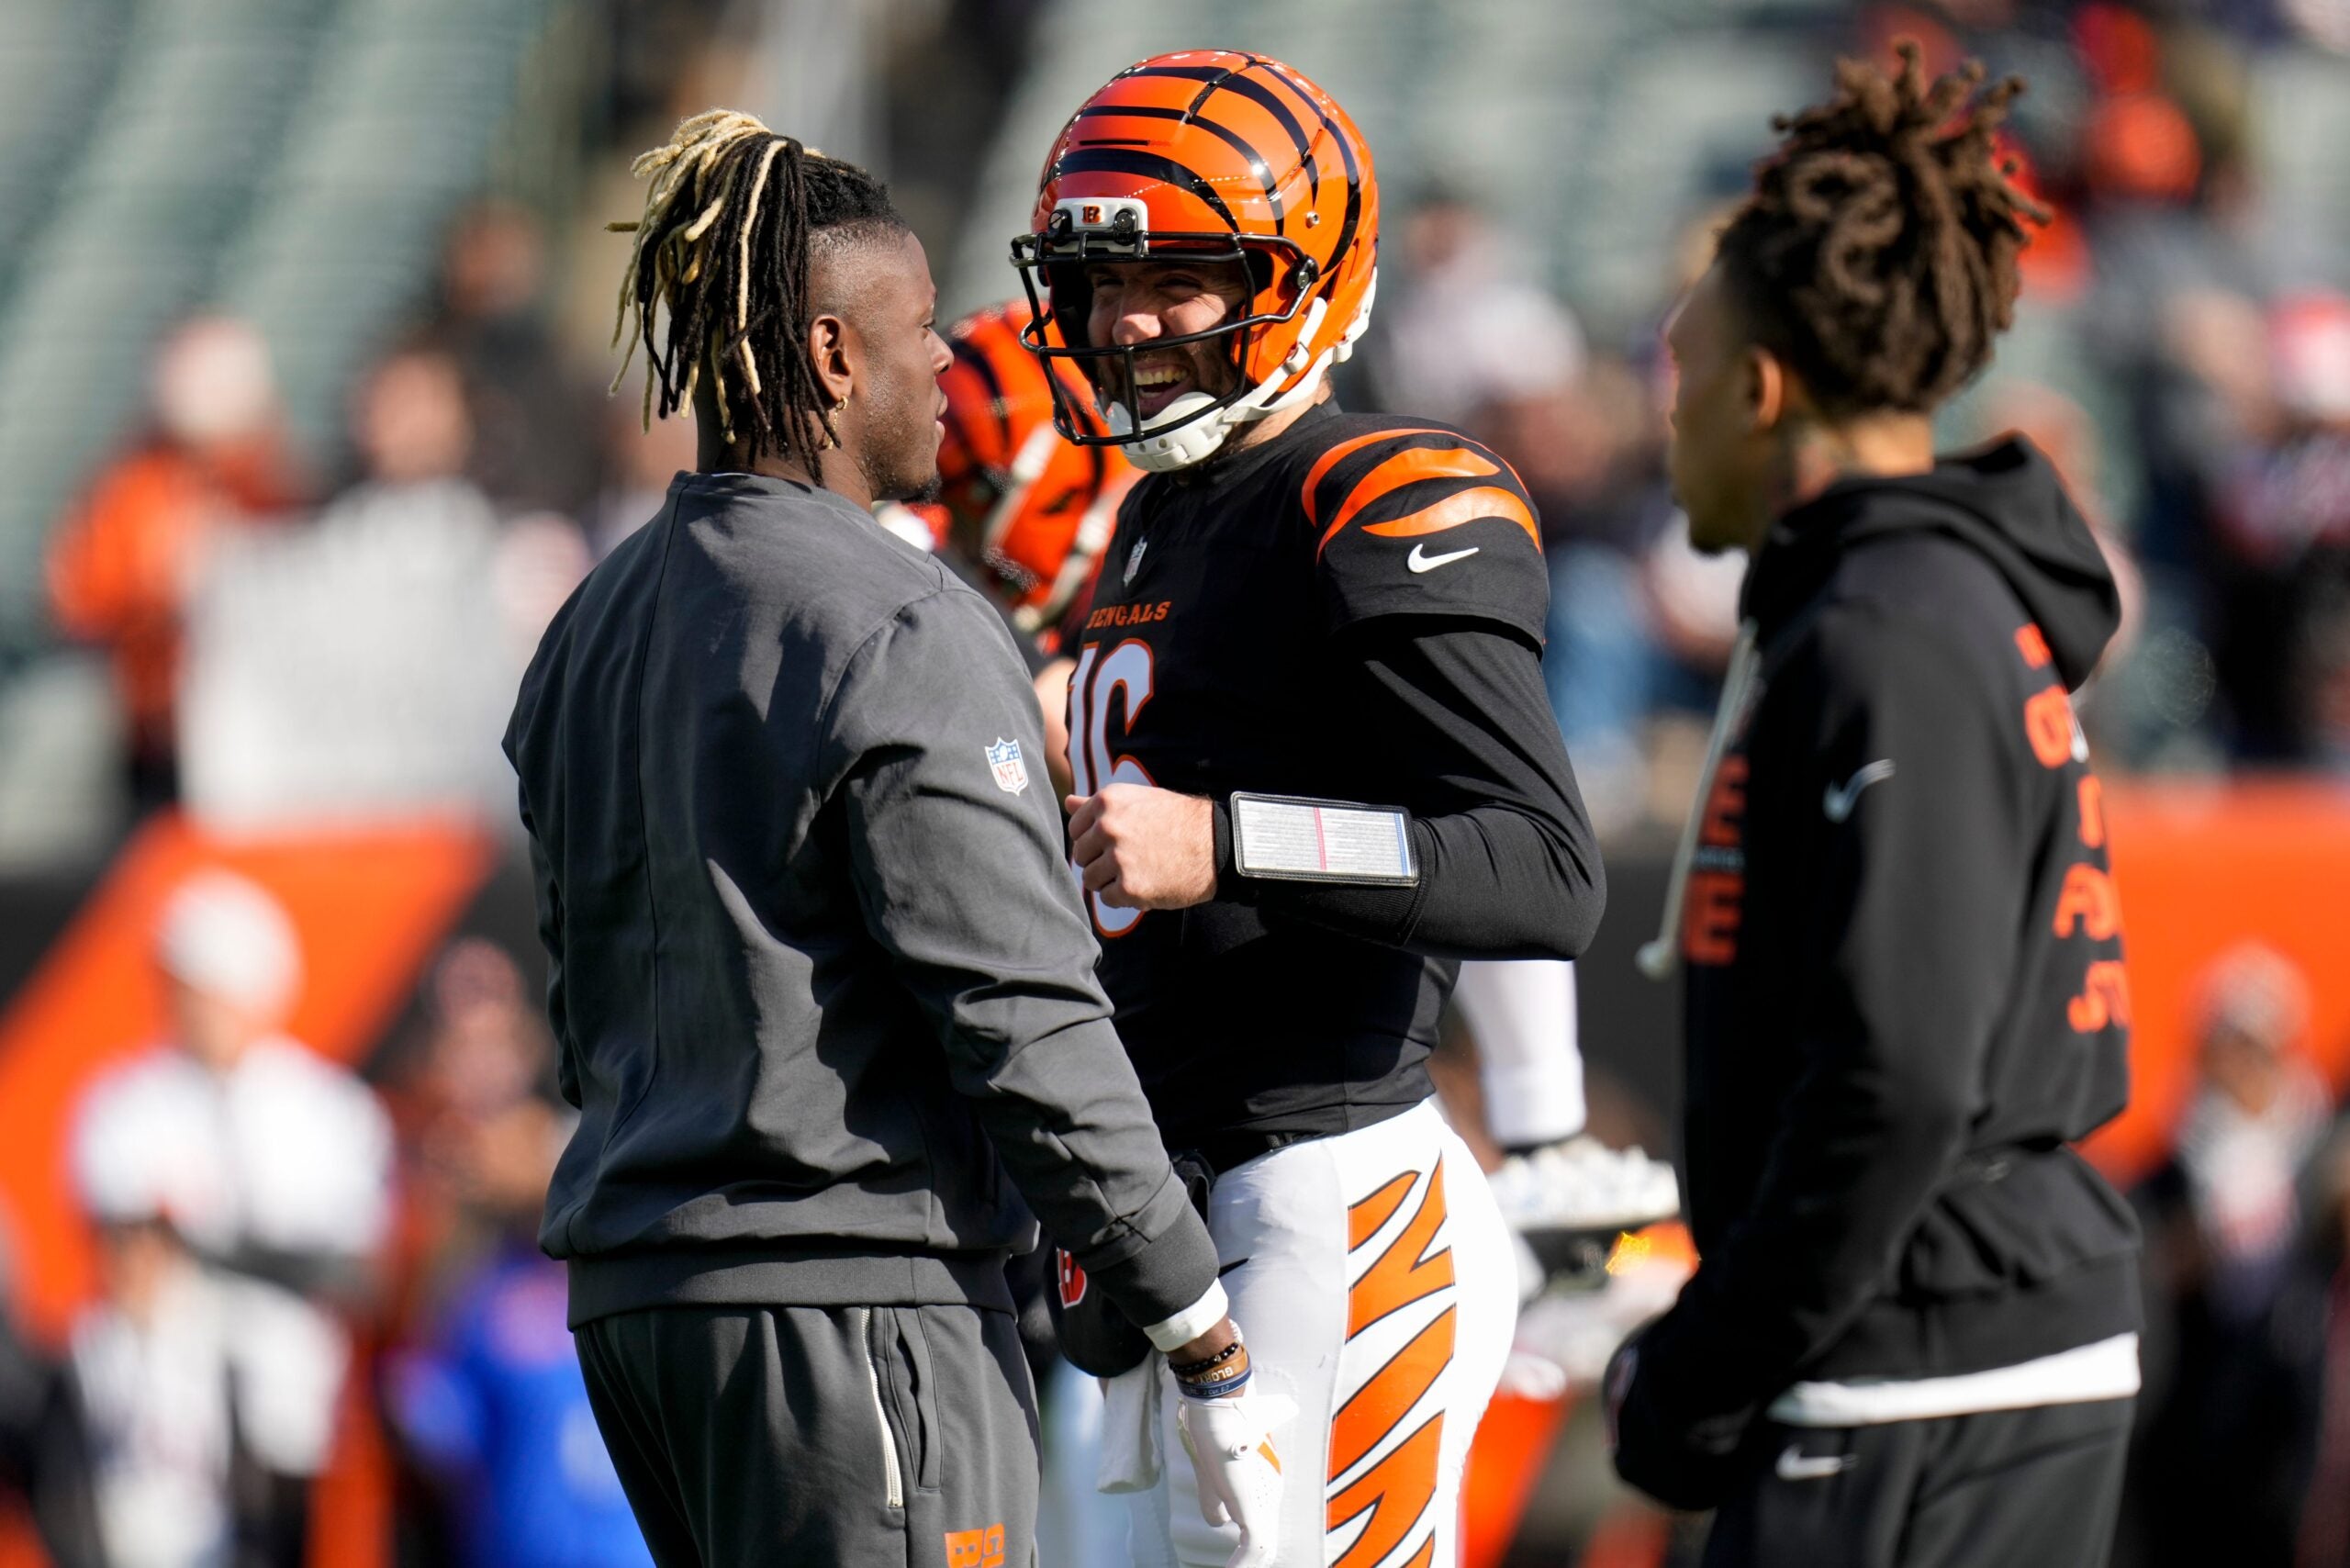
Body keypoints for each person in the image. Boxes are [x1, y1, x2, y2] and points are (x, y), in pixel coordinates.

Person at [505, 110, 1263, 1568]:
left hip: (642, 1312)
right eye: (921, 330)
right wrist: (1196, 1311)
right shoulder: (901, 619)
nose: (949, 368)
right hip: (852, 1308)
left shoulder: (586, 628)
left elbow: (579, 1002)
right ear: (835, 355)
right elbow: (1020, 1010)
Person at [1007, 51, 1606, 1567]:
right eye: (1099, 281)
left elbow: (1541, 867)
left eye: (1185, 279)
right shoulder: (1159, 505)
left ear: (1298, 277)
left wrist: (1231, 840)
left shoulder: (1380, 490)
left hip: (1330, 1192)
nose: (1128, 321)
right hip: (1181, 1214)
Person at [1604, 45, 2142, 1566]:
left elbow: (1899, 1080)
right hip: (1939, 1345)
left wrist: (1701, 1368)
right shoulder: (1895, 607)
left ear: (1763, 392)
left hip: (1927, 1369)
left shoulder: (1893, 628)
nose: (1670, 419)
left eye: (1683, 378)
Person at [72, 869, 393, 1566]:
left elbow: (355, 1275)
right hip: (168, 1426)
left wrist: (204, 1246)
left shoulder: (329, 1110)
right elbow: (128, 1267)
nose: (191, 1006)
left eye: (209, 987)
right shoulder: (120, 1106)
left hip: (301, 1407)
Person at [46, 317, 303, 809]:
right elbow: (79, 597)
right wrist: (155, 589)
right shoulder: (133, 489)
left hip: (259, 727)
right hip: (159, 726)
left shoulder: (273, 489)